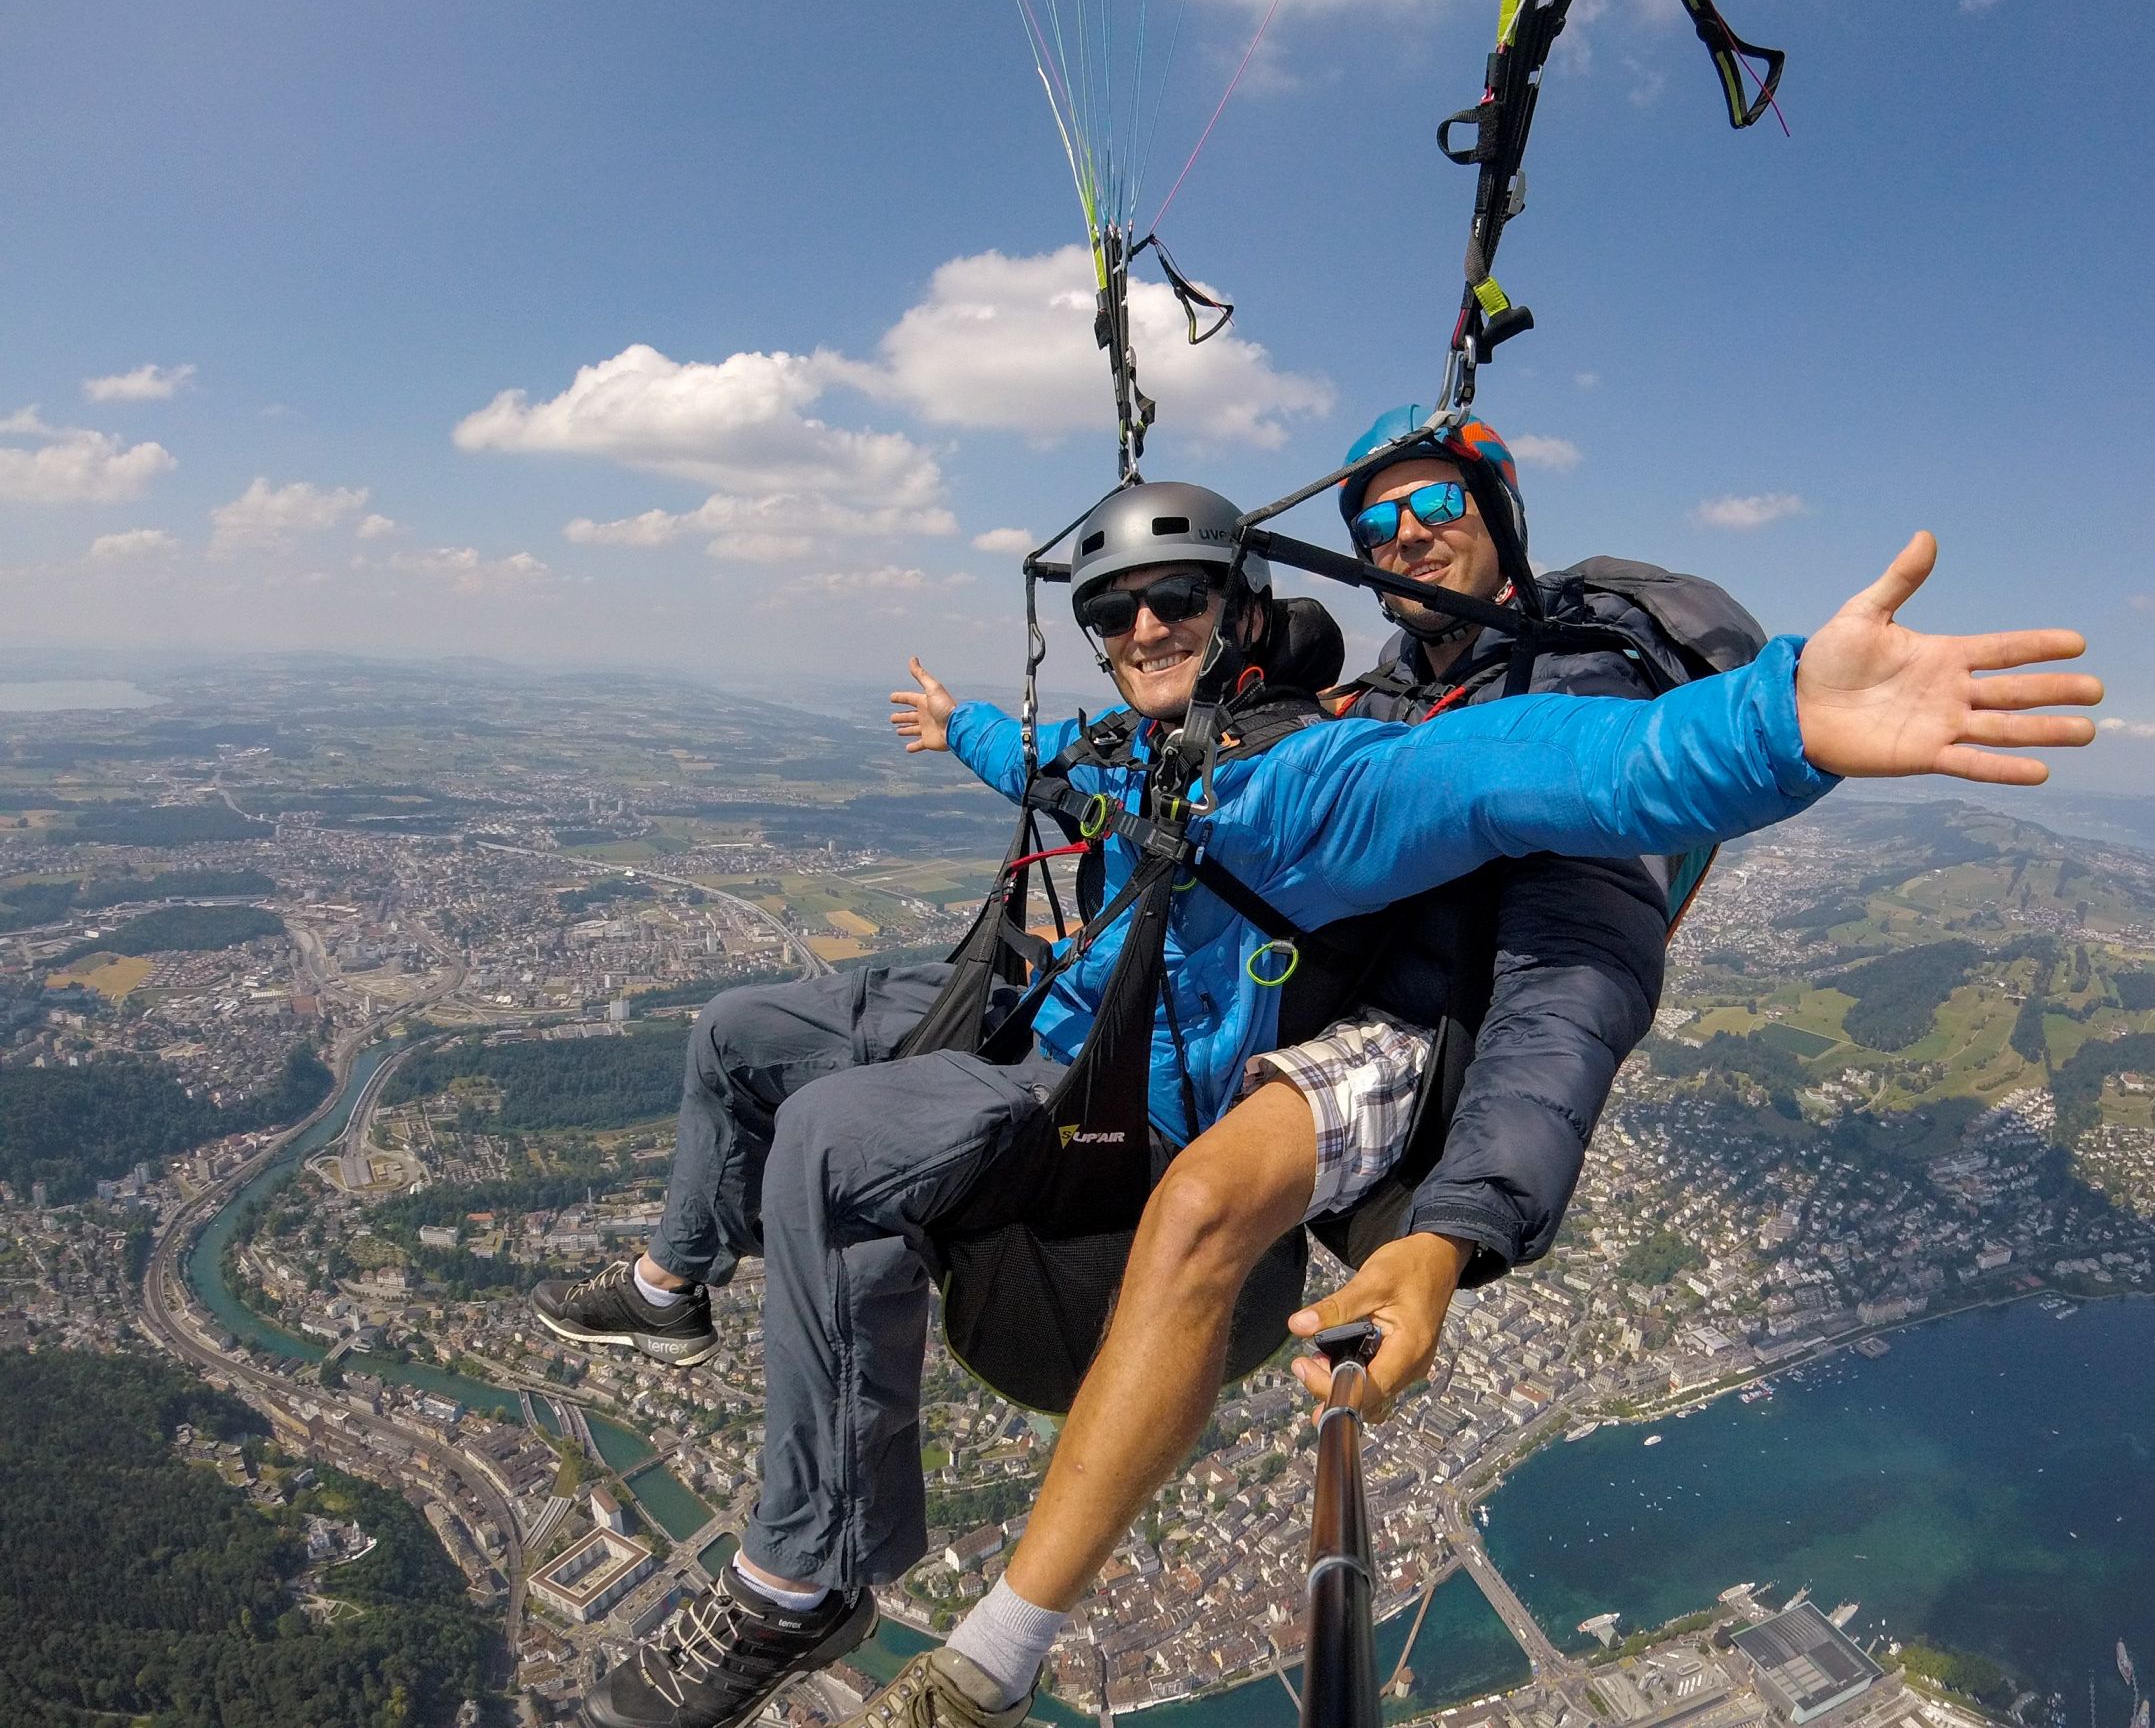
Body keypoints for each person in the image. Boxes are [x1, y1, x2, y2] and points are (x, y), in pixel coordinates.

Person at [542, 475, 2096, 1728]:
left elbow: (1527, 767)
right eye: (1114, 612)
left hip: (1095, 1097)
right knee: (742, 1033)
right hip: (1043, 1007)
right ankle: (673, 1286)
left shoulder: (1314, 781)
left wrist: (1777, 722)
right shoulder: (1142, 746)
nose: (1143, 626)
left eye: (1174, 599)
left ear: (1239, 609)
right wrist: (957, 724)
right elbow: (1046, 759)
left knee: (828, 1142)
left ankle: (805, 1577)